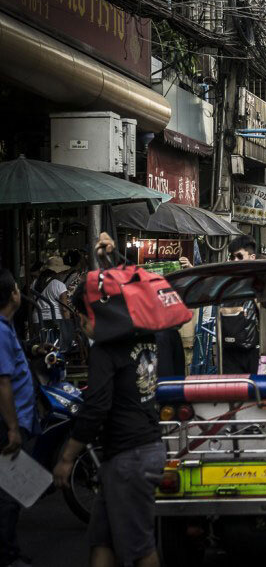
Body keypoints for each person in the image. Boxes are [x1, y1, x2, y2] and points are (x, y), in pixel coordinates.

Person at [54, 233, 164, 567]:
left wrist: (67, 457)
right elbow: (133, 291)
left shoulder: (105, 350)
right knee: (101, 539)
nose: (83, 324)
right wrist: (111, 258)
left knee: (140, 548)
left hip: (129, 458)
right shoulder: (145, 333)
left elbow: (96, 407)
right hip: (139, 451)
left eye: (84, 316)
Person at [0, 269, 35, 567]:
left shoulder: (6, 327)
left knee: (14, 490)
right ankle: (7, 554)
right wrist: (12, 427)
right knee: (9, 493)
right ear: (12, 293)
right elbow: (3, 383)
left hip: (18, 420)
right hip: (8, 425)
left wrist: (34, 349)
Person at [220, 235, 261, 374]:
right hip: (229, 353)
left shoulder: (261, 283)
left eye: (239, 256)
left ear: (252, 257)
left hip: (254, 353)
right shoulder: (226, 283)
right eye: (232, 257)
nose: (235, 261)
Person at [33, 256, 73, 346]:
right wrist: (67, 325)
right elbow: (64, 309)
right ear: (58, 271)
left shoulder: (34, 283)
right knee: (56, 349)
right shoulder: (60, 285)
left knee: (41, 346)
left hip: (37, 319)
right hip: (55, 320)